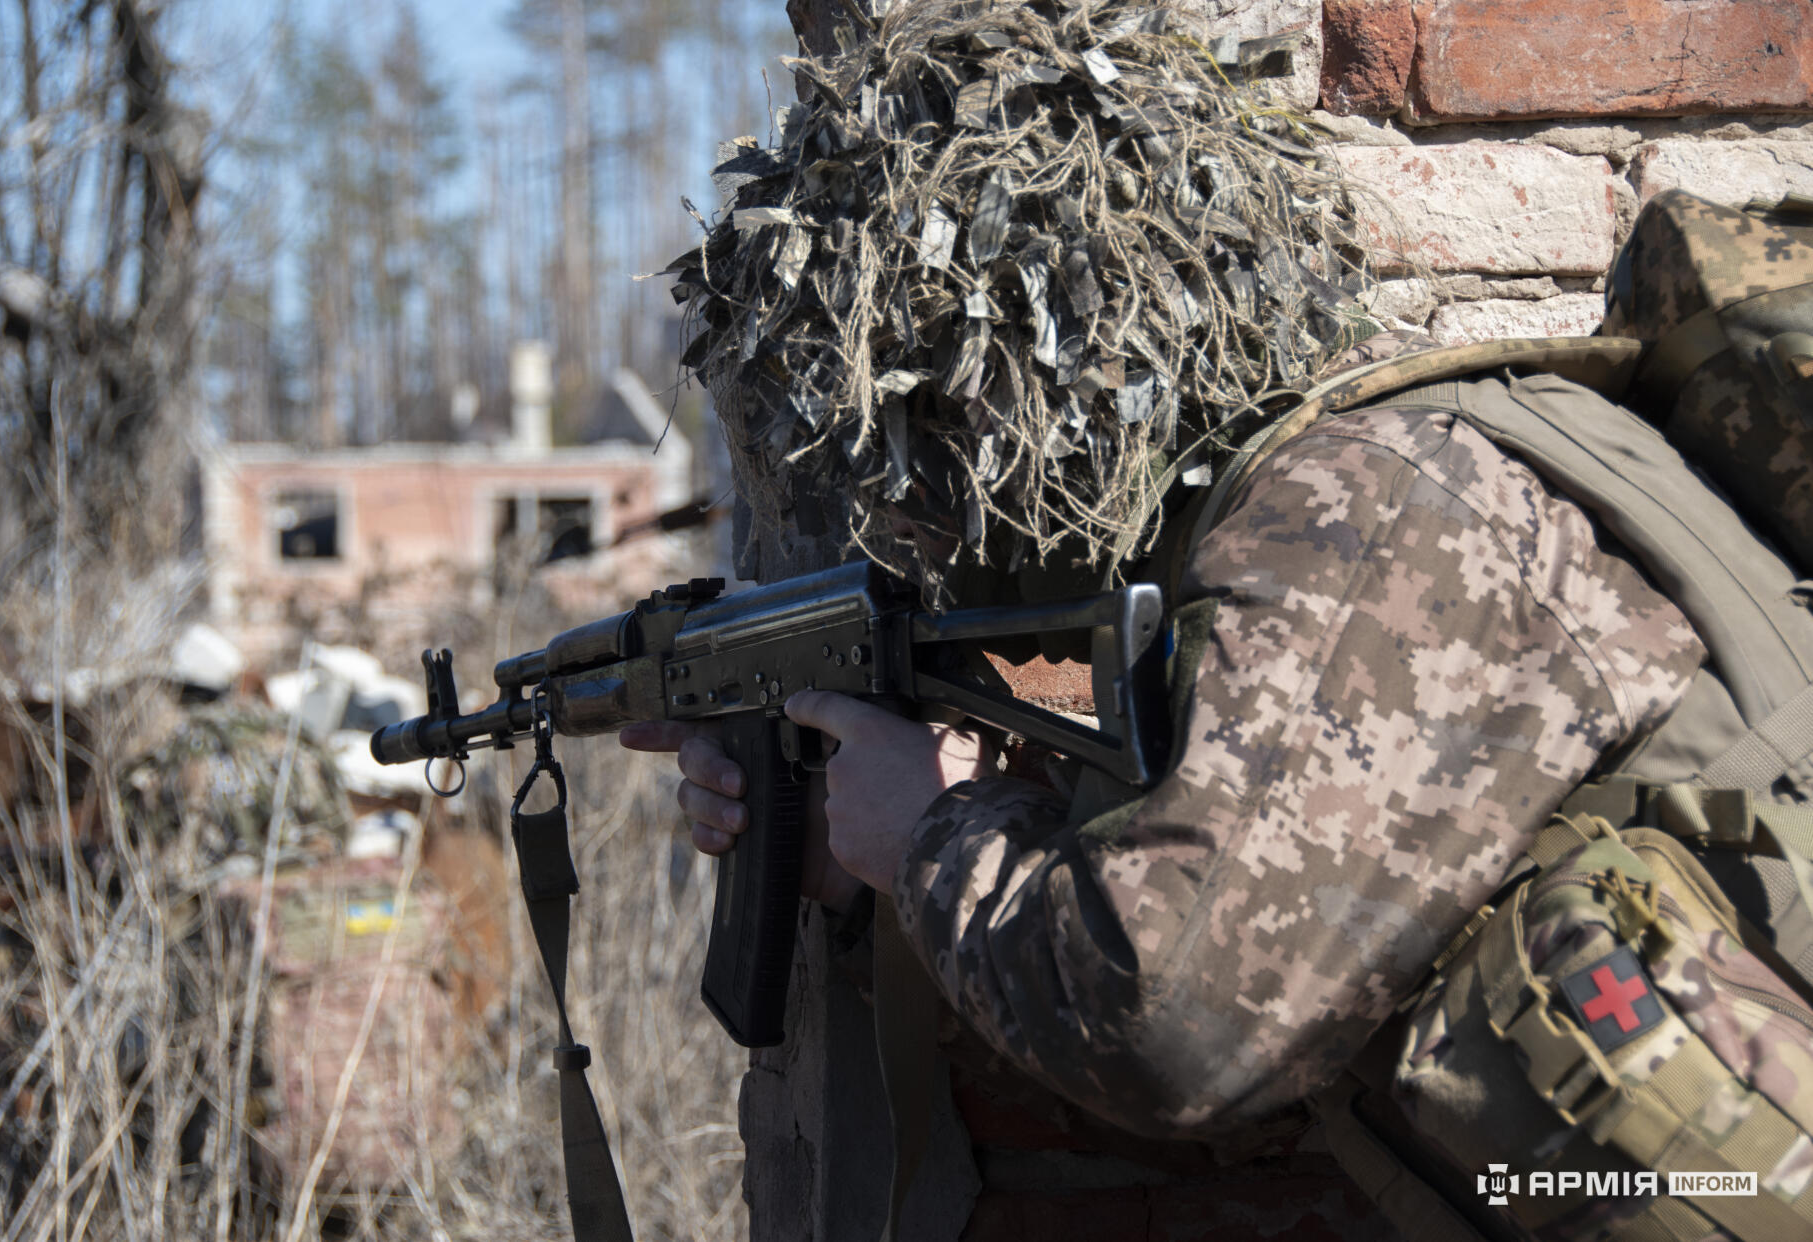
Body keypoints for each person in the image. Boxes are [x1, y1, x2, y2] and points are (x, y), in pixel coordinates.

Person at [623, 1, 1716, 1236]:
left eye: (921, 438)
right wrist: (862, 845)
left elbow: (1174, 1025)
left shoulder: (1354, 514)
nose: (913, 525)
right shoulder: (1297, 515)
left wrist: (934, 829)